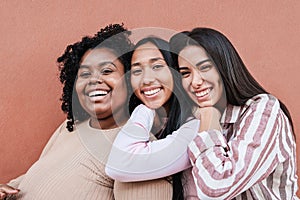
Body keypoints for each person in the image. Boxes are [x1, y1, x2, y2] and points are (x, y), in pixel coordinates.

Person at [0, 24, 172, 200]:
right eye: (84, 74)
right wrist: (8, 188)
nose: (94, 80)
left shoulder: (137, 147)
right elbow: (36, 178)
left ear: (130, 82)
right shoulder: (69, 128)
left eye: (107, 71)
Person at [169, 27, 298, 199]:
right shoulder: (190, 120)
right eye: (186, 73)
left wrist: (208, 124)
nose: (195, 82)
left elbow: (216, 187)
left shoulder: (264, 111)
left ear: (224, 66)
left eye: (205, 67)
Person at [106, 36, 199, 199]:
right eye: (137, 71)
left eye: (157, 66)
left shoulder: (196, 127)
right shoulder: (143, 124)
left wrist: (144, 109)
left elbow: (118, 164)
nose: (146, 79)